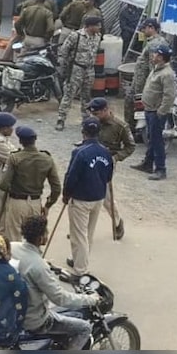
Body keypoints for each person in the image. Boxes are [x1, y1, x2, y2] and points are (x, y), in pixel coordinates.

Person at [13, 215, 100, 350]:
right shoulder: (39, 266)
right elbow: (60, 298)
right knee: (84, 328)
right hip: (34, 321)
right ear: (41, 238)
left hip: (14, 312)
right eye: (46, 232)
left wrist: (49, 265)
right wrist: (90, 299)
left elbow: (26, 262)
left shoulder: (13, 247)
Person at [63, 117, 114, 276]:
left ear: (83, 132)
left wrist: (66, 194)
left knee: (79, 235)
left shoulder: (79, 152)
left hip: (81, 199)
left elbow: (71, 176)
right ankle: (78, 260)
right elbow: (108, 176)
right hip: (98, 197)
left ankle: (80, 270)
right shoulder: (106, 151)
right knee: (88, 233)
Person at [0, 125, 61, 243]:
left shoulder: (15, 158)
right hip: (36, 202)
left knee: (14, 239)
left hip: (17, 202)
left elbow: (3, 184)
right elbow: (56, 187)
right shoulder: (47, 159)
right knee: (34, 240)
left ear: (21, 141)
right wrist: (48, 204)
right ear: (35, 140)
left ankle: (15, 261)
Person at [87, 97, 134, 237]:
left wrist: (115, 158)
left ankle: (118, 222)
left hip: (106, 164)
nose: (93, 116)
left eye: (96, 114)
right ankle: (82, 228)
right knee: (85, 195)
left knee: (105, 198)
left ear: (106, 110)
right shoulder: (92, 122)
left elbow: (130, 147)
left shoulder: (120, 126)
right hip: (89, 161)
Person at [133, 43, 175, 180]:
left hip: (156, 111)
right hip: (149, 109)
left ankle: (161, 169)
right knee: (152, 138)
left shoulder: (167, 74)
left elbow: (169, 96)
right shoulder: (157, 69)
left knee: (157, 141)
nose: (153, 55)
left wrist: (161, 111)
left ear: (162, 57)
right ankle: (147, 163)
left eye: (156, 54)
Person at [56, 15, 104, 131]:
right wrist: (65, 68)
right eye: (97, 25)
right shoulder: (75, 36)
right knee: (69, 95)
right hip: (76, 69)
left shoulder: (98, 36)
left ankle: (86, 120)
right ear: (90, 26)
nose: (100, 28)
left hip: (89, 70)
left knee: (86, 96)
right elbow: (63, 51)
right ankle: (61, 119)